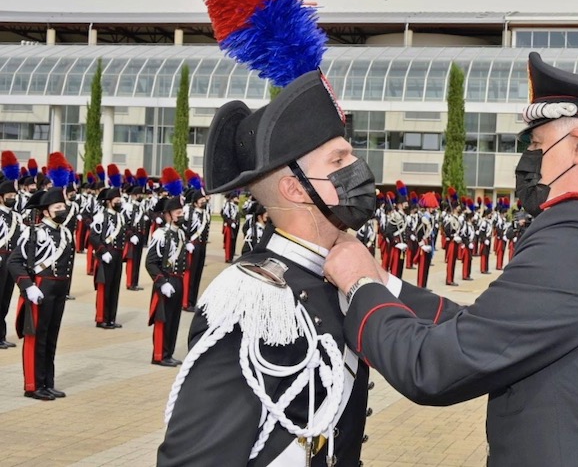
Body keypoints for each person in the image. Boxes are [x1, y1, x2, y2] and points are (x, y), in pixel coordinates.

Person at [322, 52, 578, 466]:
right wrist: (387, 285)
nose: (530, 161)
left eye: (539, 146)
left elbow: (434, 368)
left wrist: (361, 285)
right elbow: (496, 327)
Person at [158, 70, 449, 466]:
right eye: (339, 160)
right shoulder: (253, 303)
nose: (357, 167)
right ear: (295, 188)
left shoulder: (337, 270)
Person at [8, 153, 76, 400]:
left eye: (63, 207)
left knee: (51, 338)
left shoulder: (65, 234)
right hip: (40, 288)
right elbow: (14, 262)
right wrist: (28, 287)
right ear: (46, 211)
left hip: (58, 290)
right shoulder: (34, 233)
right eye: (58, 208)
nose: (62, 210)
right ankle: (33, 385)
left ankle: (47, 382)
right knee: (36, 338)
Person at [145, 195, 187, 367]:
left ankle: (169, 353)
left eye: (182, 212)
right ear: (168, 215)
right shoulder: (160, 234)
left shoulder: (181, 233)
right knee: (163, 319)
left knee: (174, 319)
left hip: (178, 281)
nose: (182, 215)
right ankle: (159, 355)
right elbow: (150, 262)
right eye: (178, 213)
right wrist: (162, 283)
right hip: (165, 281)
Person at [89, 183, 126, 329]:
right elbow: (93, 236)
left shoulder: (120, 217)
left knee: (114, 288)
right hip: (106, 255)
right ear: (109, 202)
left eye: (120, 200)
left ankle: (111, 318)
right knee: (105, 288)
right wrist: (103, 252)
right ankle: (101, 318)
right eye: (117, 200)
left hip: (117, 256)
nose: (119, 202)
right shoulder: (101, 216)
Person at [0, 172, 23, 350]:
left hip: (11, 260)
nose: (12, 198)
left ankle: (1, 335)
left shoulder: (16, 217)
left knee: (5, 298)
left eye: (14, 196)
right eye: (9, 196)